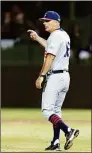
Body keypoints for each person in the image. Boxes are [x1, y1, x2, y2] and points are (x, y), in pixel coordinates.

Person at [27, 11, 79, 151]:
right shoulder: (63, 34)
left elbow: (50, 57)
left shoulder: (55, 36)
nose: (44, 23)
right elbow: (50, 46)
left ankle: (68, 131)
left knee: (46, 111)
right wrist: (38, 38)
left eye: (47, 21)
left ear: (57, 22)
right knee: (56, 111)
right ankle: (56, 142)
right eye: (44, 21)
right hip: (64, 76)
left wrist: (41, 76)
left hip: (55, 76)